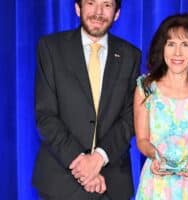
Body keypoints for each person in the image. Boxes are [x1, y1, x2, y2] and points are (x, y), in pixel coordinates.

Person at [33, 0, 141, 199]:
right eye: (91, 3)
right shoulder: (50, 48)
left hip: (112, 184)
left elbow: (130, 117)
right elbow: (45, 115)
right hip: (60, 182)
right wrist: (83, 165)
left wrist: (99, 158)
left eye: (107, 5)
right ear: (77, 8)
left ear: (116, 13)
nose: (98, 12)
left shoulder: (131, 55)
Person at [134, 13, 188, 199]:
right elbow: (142, 140)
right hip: (156, 183)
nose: (177, 53)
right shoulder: (146, 88)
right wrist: (154, 155)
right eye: (171, 44)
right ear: (162, 48)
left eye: (185, 44)